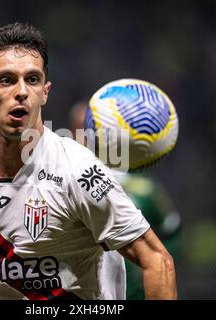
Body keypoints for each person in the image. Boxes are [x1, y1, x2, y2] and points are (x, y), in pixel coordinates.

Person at [0, 22, 177, 300]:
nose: (22, 91)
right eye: (6, 80)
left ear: (45, 92)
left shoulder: (80, 172)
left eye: (32, 79)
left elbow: (156, 260)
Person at [70, 101, 182, 299]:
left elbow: (171, 234)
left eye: (92, 130)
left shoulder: (144, 189)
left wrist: (147, 275)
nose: (86, 137)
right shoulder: (60, 187)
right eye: (80, 130)